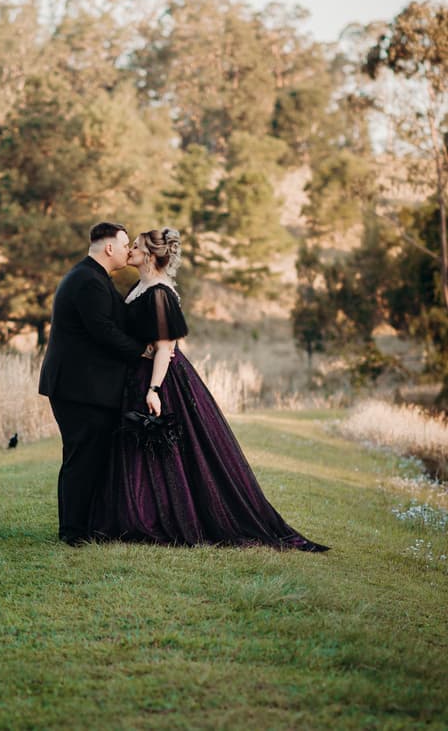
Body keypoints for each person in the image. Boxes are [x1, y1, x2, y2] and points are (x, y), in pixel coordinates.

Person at [91, 227, 329, 552]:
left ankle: (163, 516)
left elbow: (165, 347)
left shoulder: (160, 292)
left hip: (160, 378)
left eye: (135, 246)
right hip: (137, 374)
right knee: (139, 446)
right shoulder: (141, 286)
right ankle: (135, 513)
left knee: (166, 447)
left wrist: (154, 389)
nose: (129, 250)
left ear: (148, 255)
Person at [38, 222, 149, 546]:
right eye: (125, 244)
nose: (129, 250)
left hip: (85, 387)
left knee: (90, 456)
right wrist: (141, 350)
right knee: (81, 457)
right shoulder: (88, 281)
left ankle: (86, 526)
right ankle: (72, 532)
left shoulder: (93, 278)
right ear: (109, 248)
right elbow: (102, 330)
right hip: (78, 388)